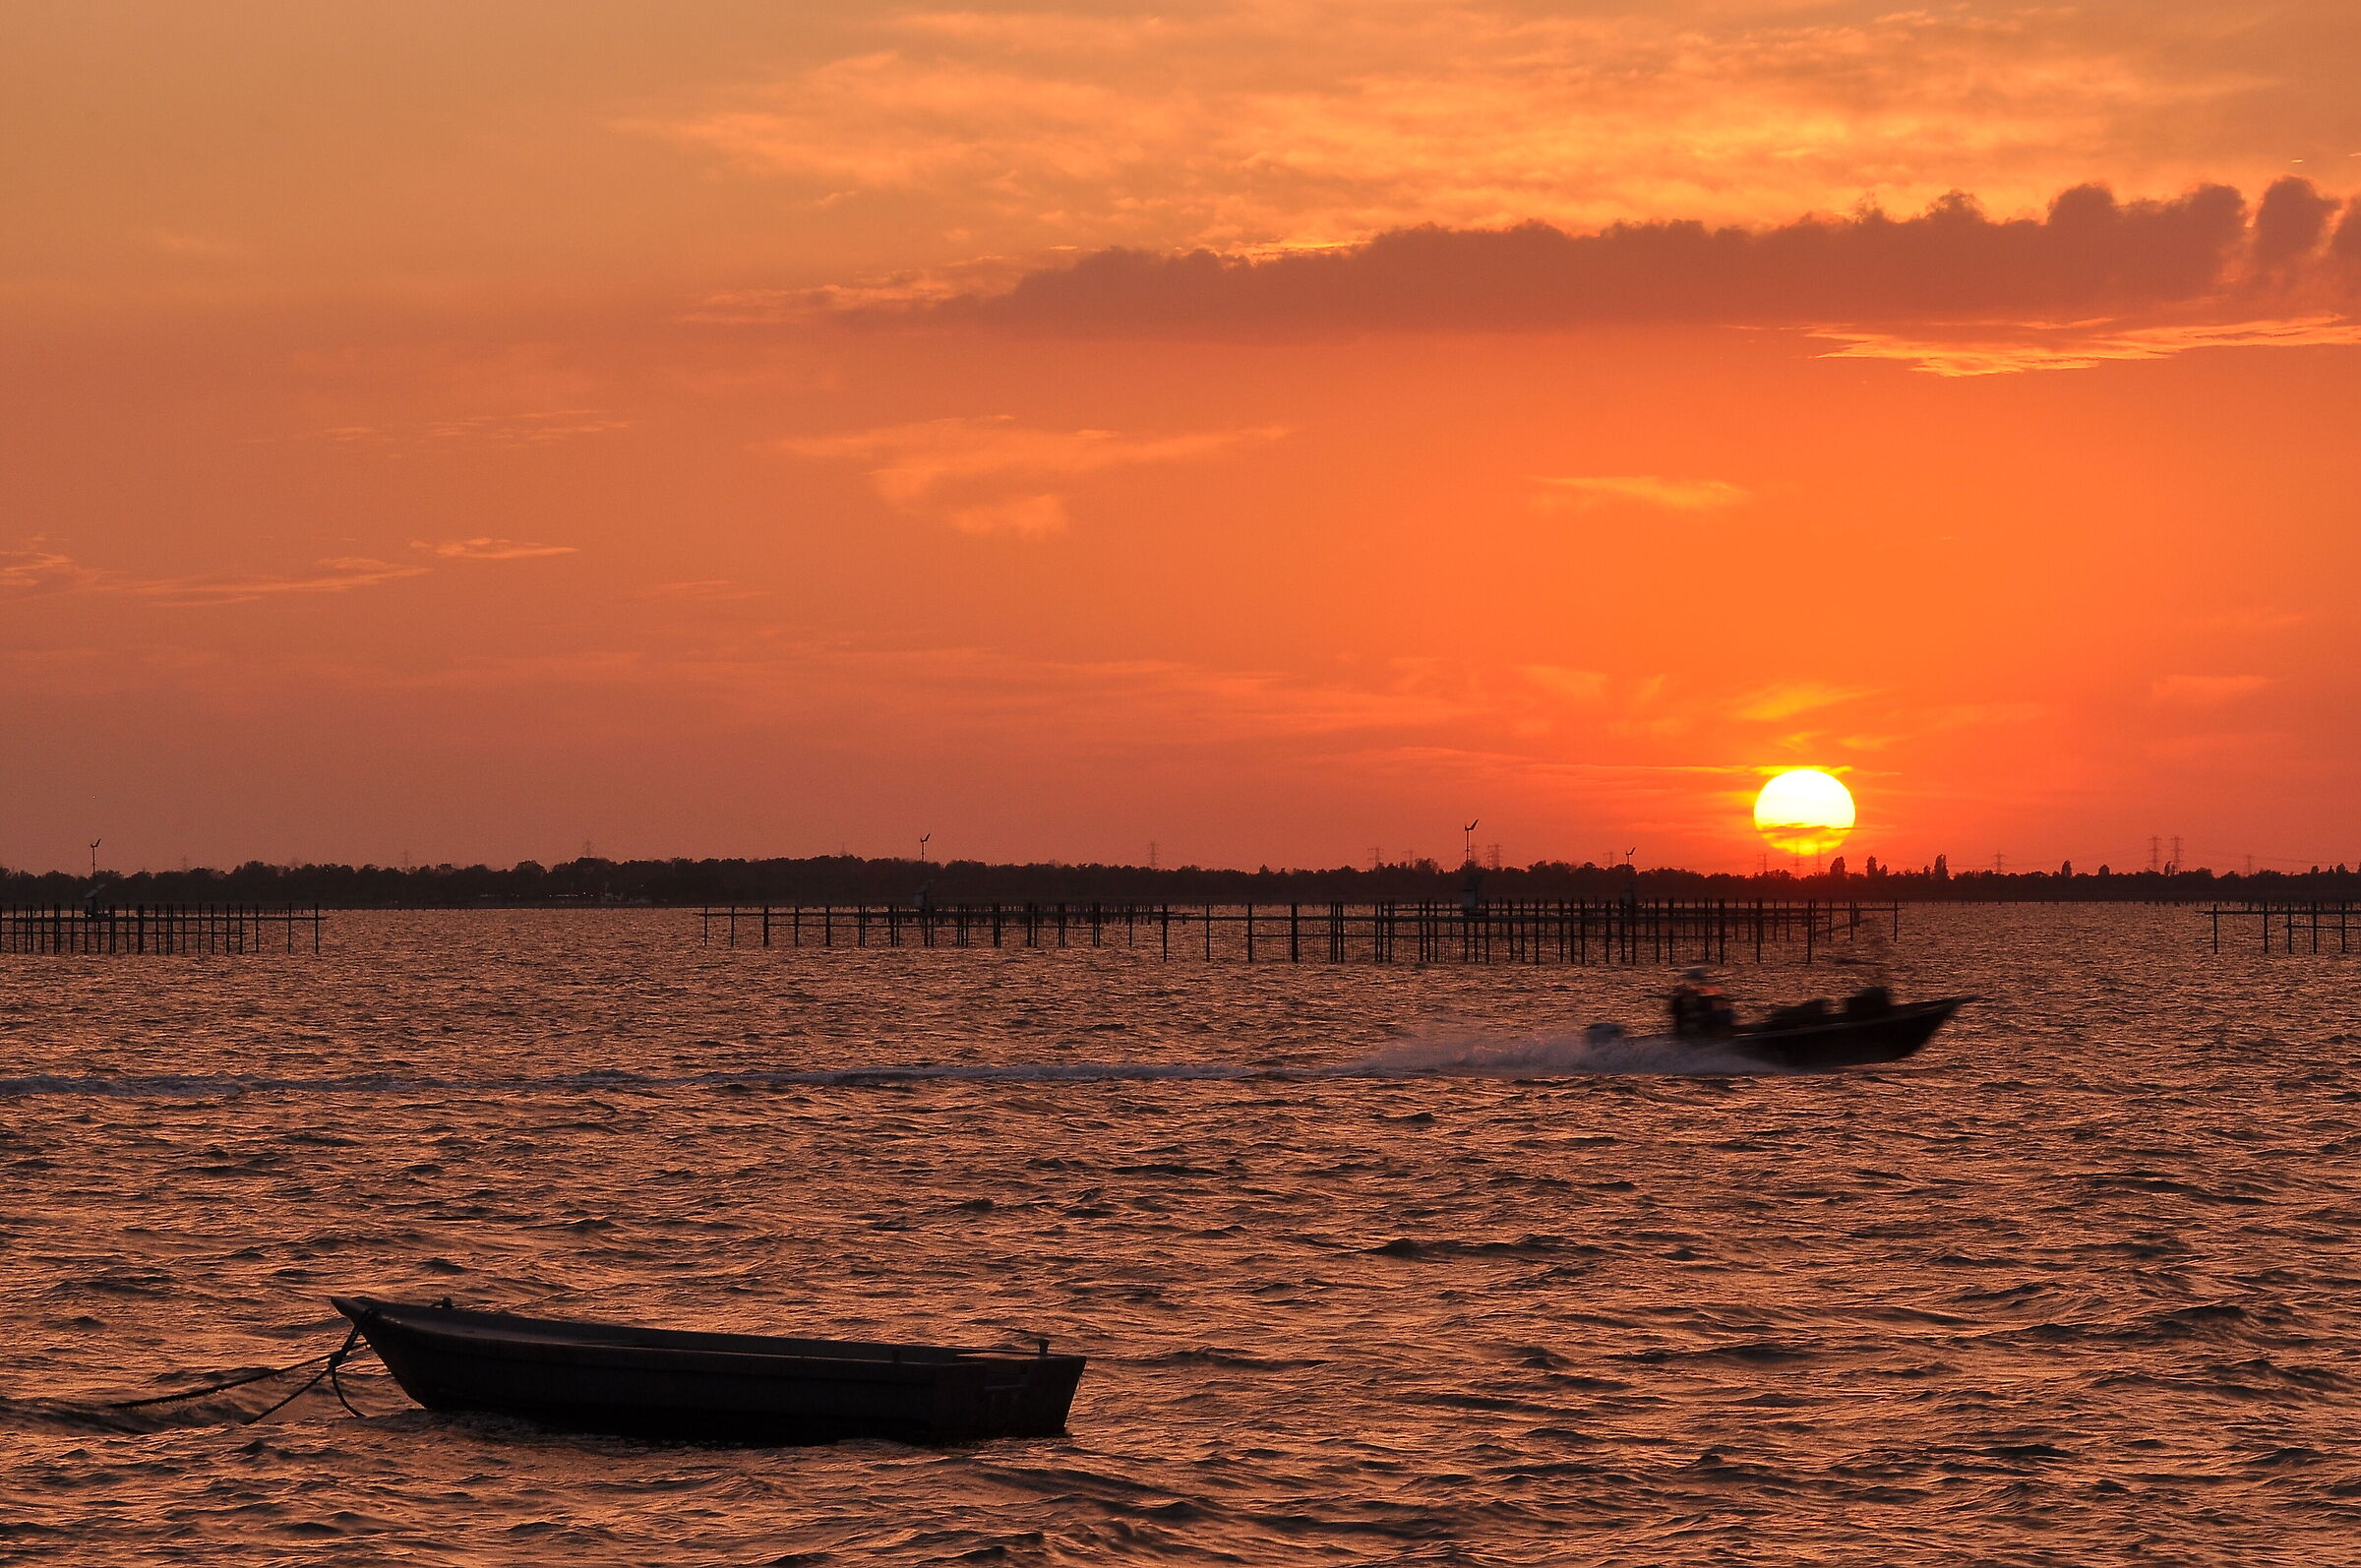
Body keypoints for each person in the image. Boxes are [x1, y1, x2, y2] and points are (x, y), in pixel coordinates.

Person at [1668, 967, 1734, 1037]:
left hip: (1703, 1027)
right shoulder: (1682, 999)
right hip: (1692, 1031)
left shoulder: (1706, 994)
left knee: (1721, 1010)